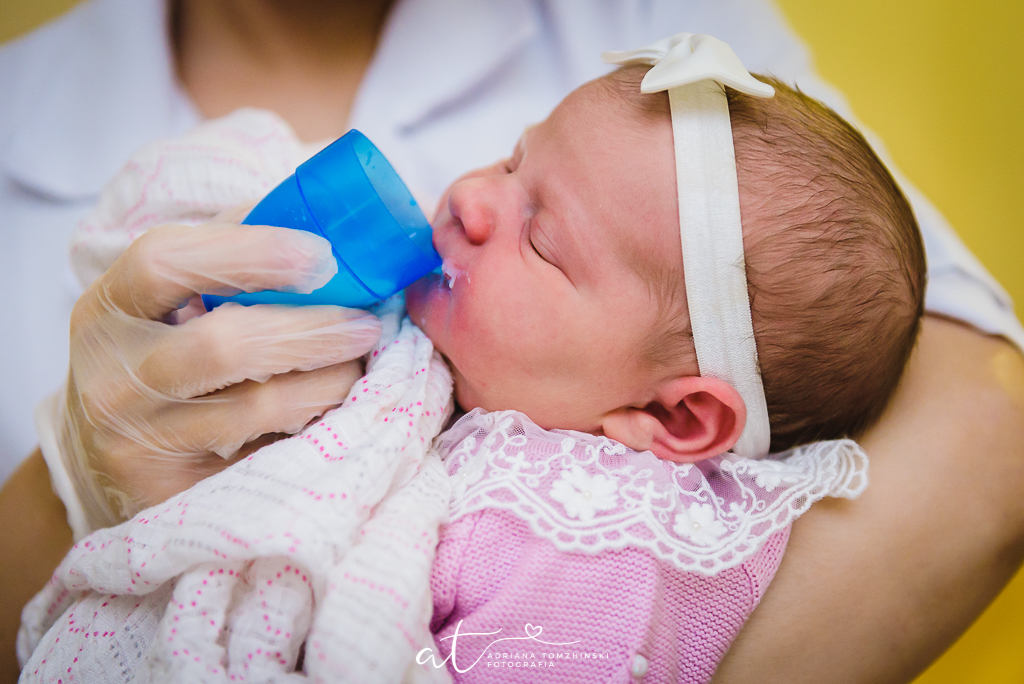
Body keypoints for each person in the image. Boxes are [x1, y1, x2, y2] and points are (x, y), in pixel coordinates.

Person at [1, 0, 1022, 682]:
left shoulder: (587, 545)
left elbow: (994, 428)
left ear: (672, 414)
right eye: (508, 158)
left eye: (538, 234)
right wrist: (74, 477)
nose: (472, 194)